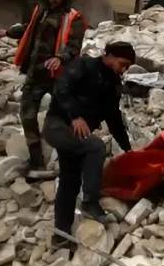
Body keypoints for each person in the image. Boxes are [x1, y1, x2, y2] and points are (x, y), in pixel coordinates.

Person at [46, 42, 136, 247]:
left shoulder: (112, 84)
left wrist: (128, 148)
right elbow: (62, 87)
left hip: (77, 135)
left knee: (70, 181)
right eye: (122, 63)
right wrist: (75, 116)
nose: (123, 69)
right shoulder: (84, 65)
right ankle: (90, 202)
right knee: (96, 147)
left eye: (127, 67)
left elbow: (114, 118)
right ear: (110, 55)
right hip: (58, 124)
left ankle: (61, 236)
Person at [13, 0, 86, 172]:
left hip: (58, 76)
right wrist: (8, 32)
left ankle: (71, 159)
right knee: (27, 116)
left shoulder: (73, 18)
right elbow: (29, 29)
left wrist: (60, 58)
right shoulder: (41, 11)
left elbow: (73, 46)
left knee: (64, 119)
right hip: (35, 73)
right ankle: (36, 160)